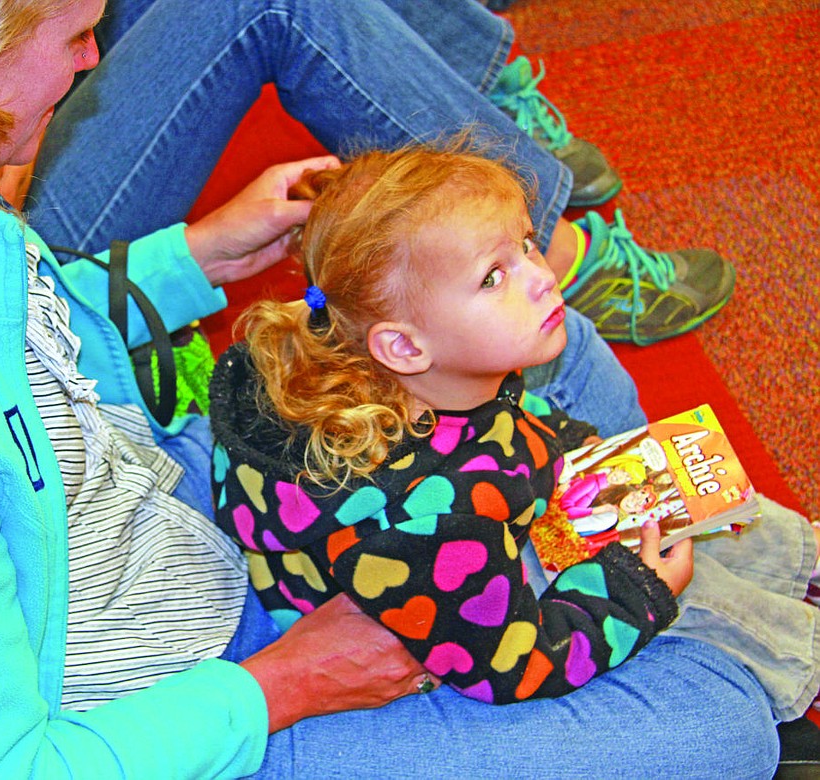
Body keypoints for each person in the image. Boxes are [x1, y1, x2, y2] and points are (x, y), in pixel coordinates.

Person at [0, 0, 784, 776]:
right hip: (183, 700)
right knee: (720, 721)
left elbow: (26, 342)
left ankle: (589, 574)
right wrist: (287, 684)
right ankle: (622, 593)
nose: (92, 62)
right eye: (75, 35)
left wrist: (195, 254)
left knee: (554, 349)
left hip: (163, 514)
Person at [209, 145, 820, 718]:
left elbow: (494, 423)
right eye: (492, 277)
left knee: (682, 497)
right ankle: (804, 654)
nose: (541, 275)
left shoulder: (430, 372)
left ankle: (805, 559)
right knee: (691, 592)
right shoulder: (422, 527)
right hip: (458, 618)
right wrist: (631, 595)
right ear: (404, 346)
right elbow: (512, 665)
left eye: (526, 245)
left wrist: (564, 443)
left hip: (477, 531)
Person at [26, 0, 734, 347]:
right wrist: (192, 255)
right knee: (269, 4)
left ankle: (472, 97)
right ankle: (540, 249)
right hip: (8, 236)